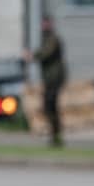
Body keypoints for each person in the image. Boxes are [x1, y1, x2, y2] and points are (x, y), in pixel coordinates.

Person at [33, 16, 67, 148]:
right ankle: (55, 135)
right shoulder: (46, 39)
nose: (44, 26)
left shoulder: (53, 38)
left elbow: (46, 53)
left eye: (46, 24)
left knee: (51, 105)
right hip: (49, 78)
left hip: (54, 78)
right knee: (49, 106)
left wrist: (32, 56)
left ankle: (56, 136)